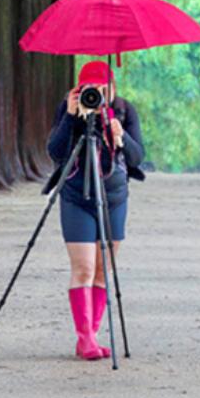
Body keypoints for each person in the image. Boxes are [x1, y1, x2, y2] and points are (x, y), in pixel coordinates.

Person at [47, 59, 144, 361]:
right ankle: (85, 338)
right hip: (77, 196)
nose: (96, 95)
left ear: (112, 89)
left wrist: (120, 137)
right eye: (89, 89)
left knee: (103, 270)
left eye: (101, 89)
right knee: (84, 268)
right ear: (78, 89)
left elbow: (137, 156)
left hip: (114, 197)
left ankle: (93, 333)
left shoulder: (125, 111)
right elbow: (55, 151)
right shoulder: (70, 109)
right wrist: (72, 119)